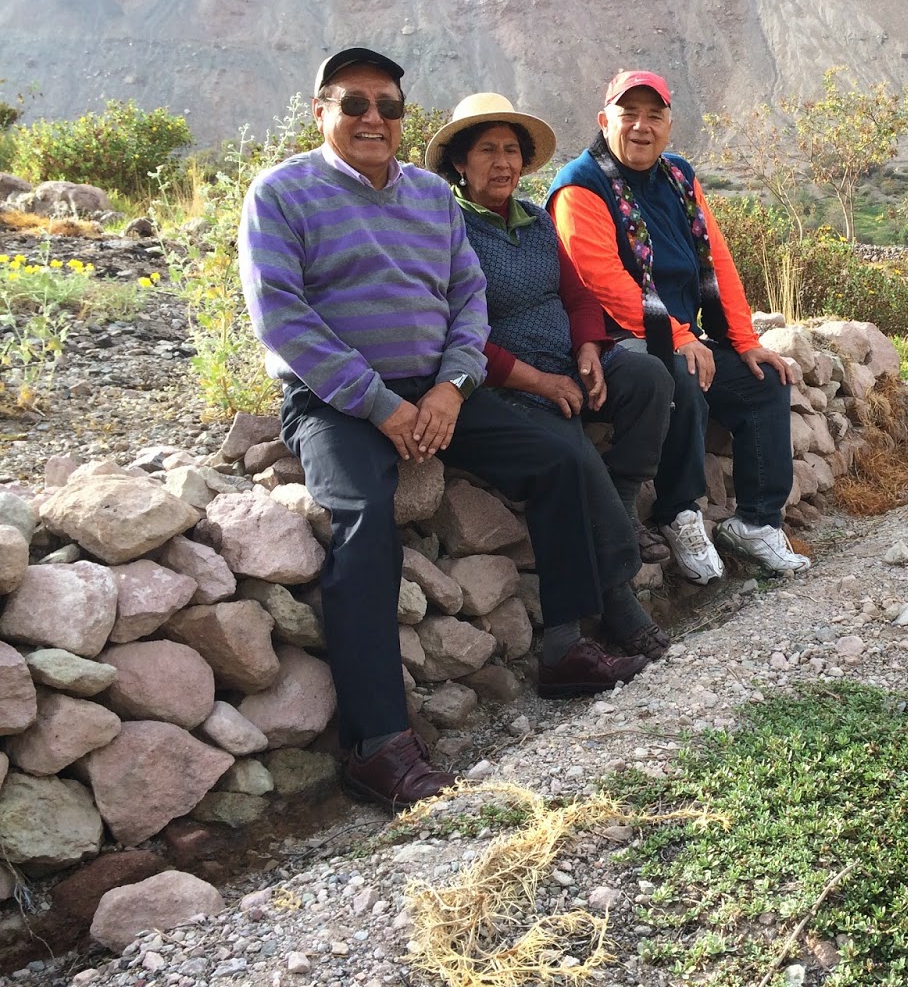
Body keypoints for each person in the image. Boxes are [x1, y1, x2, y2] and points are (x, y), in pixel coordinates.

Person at [239, 49, 660, 810]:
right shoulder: (282, 194)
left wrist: (451, 387)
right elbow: (283, 318)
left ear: (405, 117)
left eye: (388, 107)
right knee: (365, 517)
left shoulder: (431, 197)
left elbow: (468, 299)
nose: (373, 119)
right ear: (320, 111)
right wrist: (382, 406)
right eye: (354, 104)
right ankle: (378, 745)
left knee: (560, 457)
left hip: (439, 393)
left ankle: (564, 647)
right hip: (337, 401)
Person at [547, 69, 811, 583]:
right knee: (683, 378)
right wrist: (684, 337)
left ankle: (755, 522)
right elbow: (602, 280)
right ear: (605, 121)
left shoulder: (678, 176)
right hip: (616, 343)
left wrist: (743, 341)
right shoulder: (580, 185)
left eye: (654, 115)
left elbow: (717, 261)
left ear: (669, 125)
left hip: (678, 333)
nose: (641, 126)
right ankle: (679, 514)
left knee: (765, 381)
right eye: (629, 114)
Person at [424, 92, 675, 565]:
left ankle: (624, 489)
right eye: (487, 150)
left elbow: (577, 296)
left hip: (566, 362)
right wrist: (539, 380)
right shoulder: (447, 228)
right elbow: (454, 333)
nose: (503, 163)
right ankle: (613, 560)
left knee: (651, 377)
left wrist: (587, 350)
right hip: (508, 381)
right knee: (569, 447)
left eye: (511, 150)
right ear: (459, 161)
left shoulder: (536, 220)